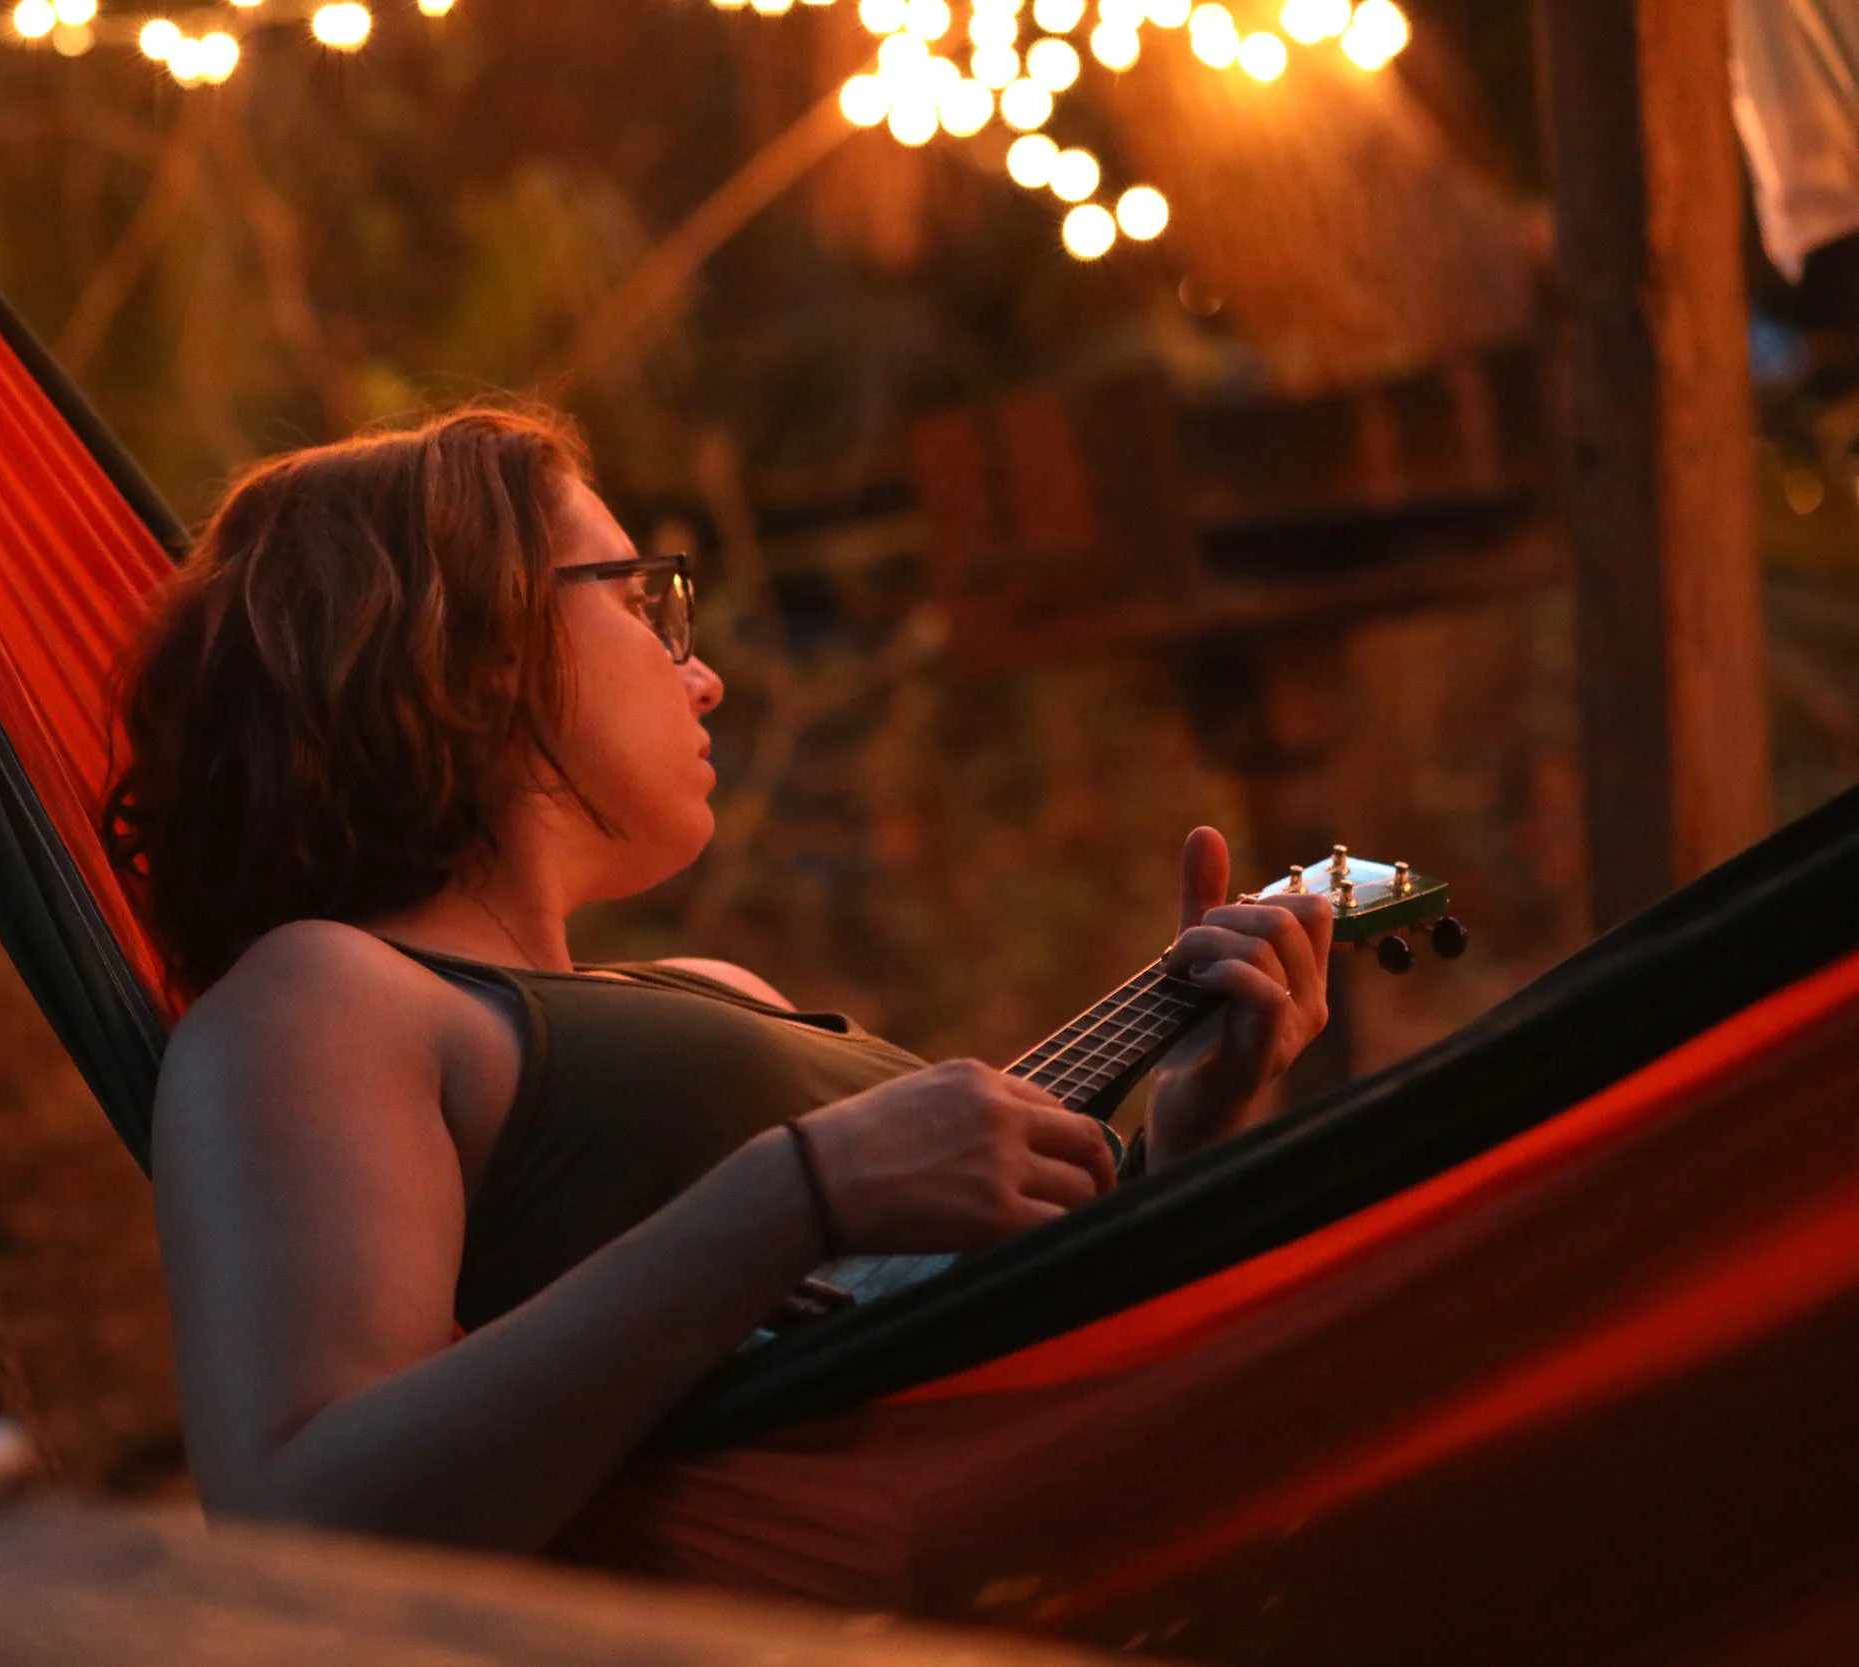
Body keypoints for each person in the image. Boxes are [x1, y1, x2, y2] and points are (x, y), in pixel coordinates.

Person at [100, 405, 1332, 1554]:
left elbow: (989, 1341)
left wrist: (1180, 1140)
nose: (704, 674)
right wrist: (797, 1191)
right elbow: (302, 1512)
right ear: (465, 641)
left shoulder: (708, 982)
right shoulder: (325, 995)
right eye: (644, 604)